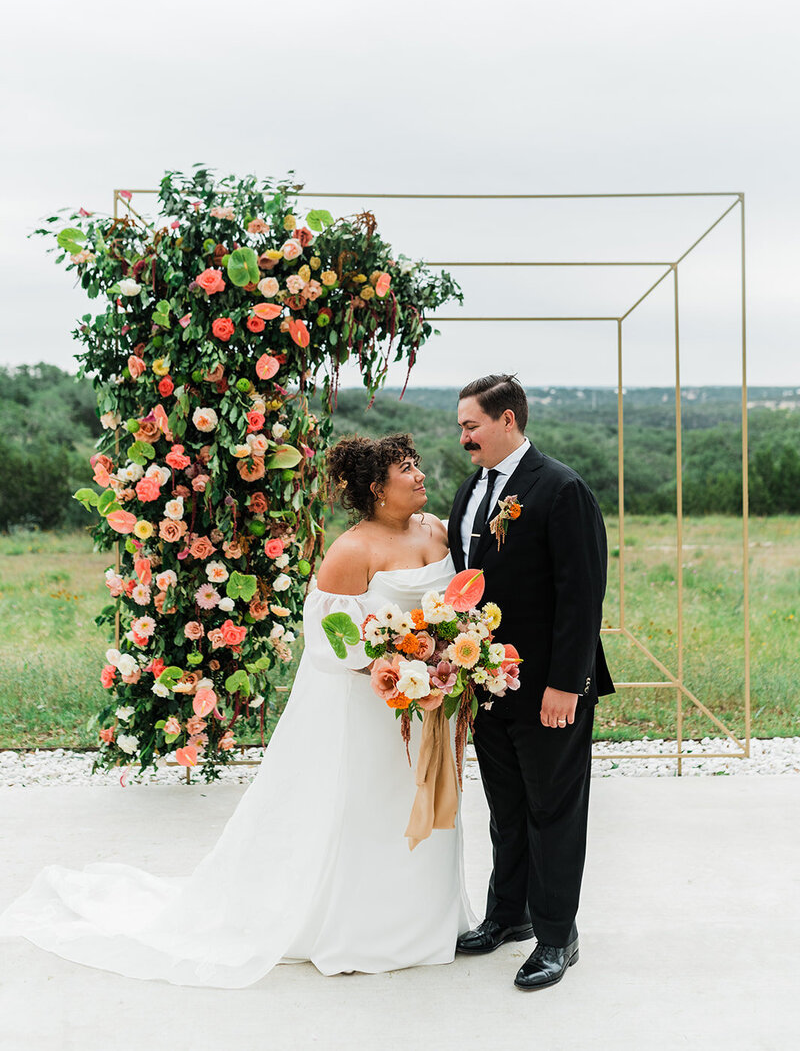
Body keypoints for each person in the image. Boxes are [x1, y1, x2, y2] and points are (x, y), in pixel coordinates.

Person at [0, 434, 473, 986]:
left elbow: (457, 605)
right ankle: (363, 929)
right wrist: (396, 667)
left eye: (416, 466)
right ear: (376, 488)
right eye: (406, 469)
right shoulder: (352, 551)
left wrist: (448, 661)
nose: (419, 475)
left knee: (432, 792)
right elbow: (332, 639)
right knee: (372, 806)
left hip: (431, 704)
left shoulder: (437, 529)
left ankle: (426, 921)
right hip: (374, 705)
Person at [450, 374, 613, 991]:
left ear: (509, 421)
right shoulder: (472, 489)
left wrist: (568, 683)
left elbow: (582, 594)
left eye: (472, 425)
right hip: (488, 683)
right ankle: (508, 915)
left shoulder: (562, 489)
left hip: (549, 686)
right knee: (507, 809)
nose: (463, 436)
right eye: (463, 425)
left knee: (554, 811)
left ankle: (556, 935)